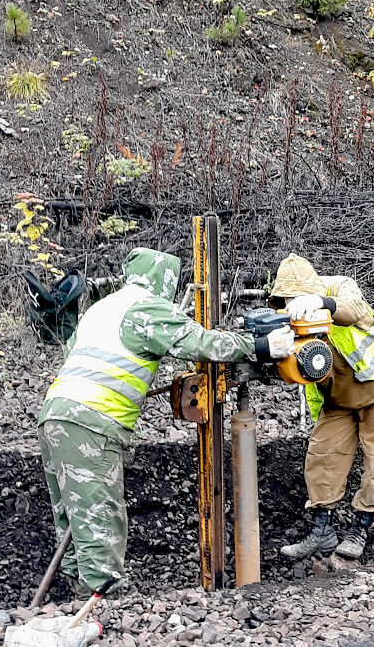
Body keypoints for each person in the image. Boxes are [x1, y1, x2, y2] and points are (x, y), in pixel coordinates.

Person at [39, 248, 294, 596]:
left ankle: (77, 601)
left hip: (54, 417)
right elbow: (202, 343)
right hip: (91, 424)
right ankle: (104, 604)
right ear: (166, 281)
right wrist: (259, 346)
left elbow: (74, 352)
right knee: (100, 520)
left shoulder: (103, 309)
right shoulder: (147, 308)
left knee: (73, 516)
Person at [272, 254, 374, 562]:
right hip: (339, 397)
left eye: (298, 296)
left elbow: (354, 310)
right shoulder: (286, 314)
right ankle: (322, 532)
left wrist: (322, 303)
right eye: (288, 298)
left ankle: (361, 528)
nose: (293, 303)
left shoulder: (339, 288)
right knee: (322, 457)